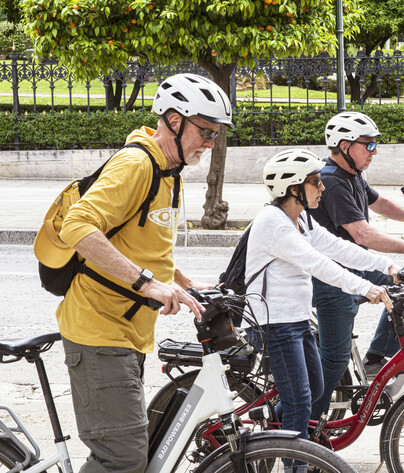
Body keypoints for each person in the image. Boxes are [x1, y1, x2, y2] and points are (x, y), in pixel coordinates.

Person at [55, 74, 233, 473]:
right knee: (122, 460)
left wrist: (185, 284)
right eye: (205, 131)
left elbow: (144, 241)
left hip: (127, 333)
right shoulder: (137, 164)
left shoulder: (169, 170)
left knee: (129, 451)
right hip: (98, 331)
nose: (210, 142)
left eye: (216, 135)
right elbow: (78, 227)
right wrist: (147, 283)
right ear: (173, 121)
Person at [243, 149, 401, 469]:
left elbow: (338, 248)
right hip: (274, 325)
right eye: (315, 182)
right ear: (293, 188)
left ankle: (270, 432)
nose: (322, 187)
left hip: (297, 321)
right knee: (301, 402)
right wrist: (365, 287)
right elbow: (319, 264)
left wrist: (386, 265)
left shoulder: (300, 219)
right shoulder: (275, 224)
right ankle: (295, 466)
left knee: (315, 390)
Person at [309, 111, 404, 419]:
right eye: (369, 145)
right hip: (332, 279)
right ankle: (307, 431)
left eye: (376, 144)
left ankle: (376, 355)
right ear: (345, 145)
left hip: (352, 266)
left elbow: (382, 205)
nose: (375, 151)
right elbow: (362, 233)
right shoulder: (332, 181)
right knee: (334, 363)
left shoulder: (351, 174)